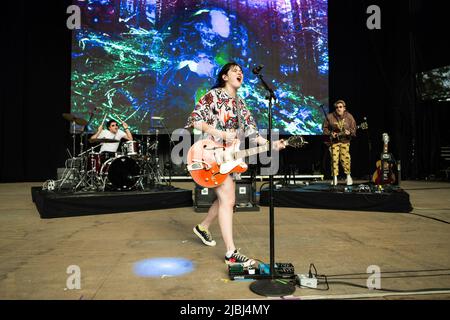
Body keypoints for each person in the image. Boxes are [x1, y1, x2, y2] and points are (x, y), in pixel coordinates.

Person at [185, 62, 285, 266]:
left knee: (224, 200)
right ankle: (231, 252)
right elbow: (194, 120)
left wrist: (270, 144)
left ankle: (203, 227)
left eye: (241, 71)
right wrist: (220, 133)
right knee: (229, 198)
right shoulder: (213, 96)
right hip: (209, 155)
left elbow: (252, 132)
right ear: (224, 77)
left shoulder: (241, 103)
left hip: (228, 158)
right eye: (234, 70)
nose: (240, 72)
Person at [323, 100, 356, 186]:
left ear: (344, 108)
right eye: (337, 107)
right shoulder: (330, 116)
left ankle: (348, 176)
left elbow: (354, 128)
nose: (338, 109)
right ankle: (335, 178)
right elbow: (324, 128)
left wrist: (351, 133)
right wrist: (331, 133)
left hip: (345, 141)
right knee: (334, 159)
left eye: (340, 107)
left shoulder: (349, 117)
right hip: (333, 142)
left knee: (345, 158)